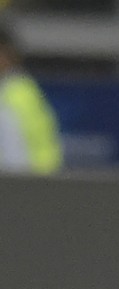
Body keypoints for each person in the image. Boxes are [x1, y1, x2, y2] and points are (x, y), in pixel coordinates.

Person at [0, 19, 62, 174]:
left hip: (28, 182)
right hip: (41, 181)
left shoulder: (13, 94)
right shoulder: (24, 88)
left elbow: (13, 152)